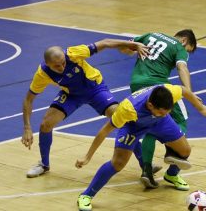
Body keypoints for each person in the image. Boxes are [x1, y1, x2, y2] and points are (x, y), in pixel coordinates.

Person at [21, 38, 149, 178]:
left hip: (95, 89)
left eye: (63, 63)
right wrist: (27, 127)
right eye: (57, 66)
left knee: (122, 118)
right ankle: (44, 164)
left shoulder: (73, 53)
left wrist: (132, 44)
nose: (62, 67)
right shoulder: (42, 74)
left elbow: (105, 43)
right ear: (47, 64)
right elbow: (28, 99)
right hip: (72, 95)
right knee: (45, 124)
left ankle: (145, 165)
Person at [75, 84, 206, 211]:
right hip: (132, 126)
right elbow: (104, 131)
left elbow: (184, 90)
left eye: (167, 111)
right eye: (162, 112)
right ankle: (86, 195)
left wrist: (200, 107)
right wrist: (88, 156)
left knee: (185, 151)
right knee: (118, 163)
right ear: (150, 105)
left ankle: (171, 175)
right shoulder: (128, 109)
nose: (165, 113)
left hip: (160, 123)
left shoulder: (169, 93)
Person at [130, 30, 197, 191]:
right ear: (184, 40)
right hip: (158, 84)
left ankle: (146, 171)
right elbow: (182, 68)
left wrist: (135, 47)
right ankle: (172, 164)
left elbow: (125, 47)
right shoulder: (178, 47)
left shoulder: (150, 34)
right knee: (181, 119)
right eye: (188, 49)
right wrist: (188, 92)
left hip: (136, 84)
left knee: (150, 128)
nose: (186, 52)